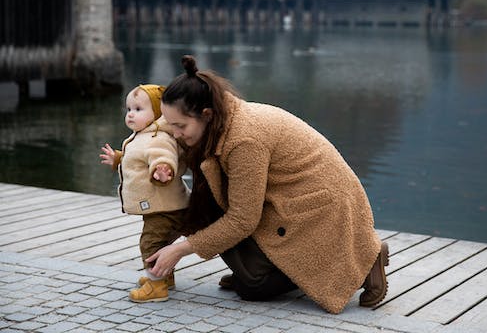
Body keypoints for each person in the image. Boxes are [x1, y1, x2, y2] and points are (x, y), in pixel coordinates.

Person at [147, 55, 389, 314]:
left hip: (320, 212)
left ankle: (366, 259)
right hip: (289, 203)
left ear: (206, 115)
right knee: (210, 206)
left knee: (253, 287)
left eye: (180, 126)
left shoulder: (244, 140)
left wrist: (180, 250)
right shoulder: (222, 119)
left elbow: (243, 220)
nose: (175, 133)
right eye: (170, 125)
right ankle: (258, 269)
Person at [99, 84, 189, 303]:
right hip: (165, 205)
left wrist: (163, 168)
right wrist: (118, 159)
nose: (130, 113)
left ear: (158, 112)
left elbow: (162, 155)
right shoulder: (143, 135)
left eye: (138, 109)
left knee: (150, 244)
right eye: (129, 108)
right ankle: (164, 276)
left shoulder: (158, 137)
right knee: (162, 243)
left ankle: (156, 286)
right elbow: (138, 159)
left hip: (163, 207)